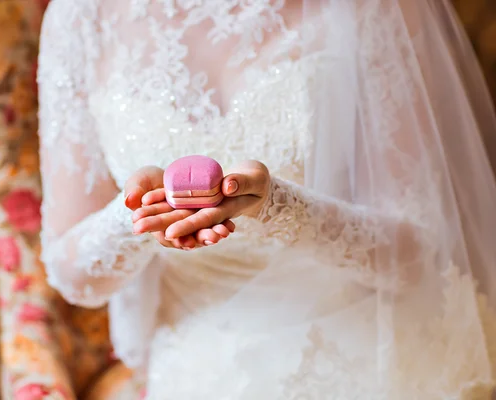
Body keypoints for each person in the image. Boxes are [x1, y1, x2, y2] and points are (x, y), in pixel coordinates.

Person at [37, 0, 496, 398]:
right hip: (200, 360)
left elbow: (414, 256)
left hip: (366, 340)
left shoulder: (370, 7)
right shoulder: (81, 18)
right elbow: (71, 275)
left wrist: (278, 207)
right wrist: (134, 214)